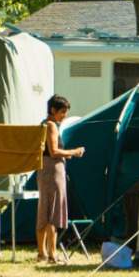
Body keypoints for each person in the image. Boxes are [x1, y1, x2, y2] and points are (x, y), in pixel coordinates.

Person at [37, 94, 85, 264]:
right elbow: (54, 151)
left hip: (46, 170)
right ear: (53, 110)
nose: (64, 115)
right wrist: (74, 152)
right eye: (63, 112)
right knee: (52, 213)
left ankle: (42, 253)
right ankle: (52, 254)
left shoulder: (44, 124)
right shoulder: (51, 126)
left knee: (45, 211)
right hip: (52, 171)